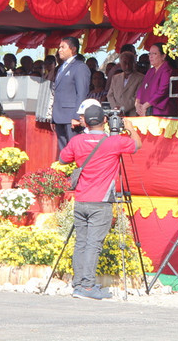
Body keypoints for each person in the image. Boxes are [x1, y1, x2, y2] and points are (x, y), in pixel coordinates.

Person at [59, 104, 141, 300]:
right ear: (105, 121)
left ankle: (79, 283)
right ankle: (87, 287)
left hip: (81, 199)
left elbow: (63, 159)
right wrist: (130, 129)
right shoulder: (114, 142)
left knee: (81, 243)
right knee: (93, 245)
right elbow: (137, 145)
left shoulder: (78, 141)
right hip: (101, 201)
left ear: (85, 122)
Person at [52, 37, 91, 153]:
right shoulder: (60, 68)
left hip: (71, 116)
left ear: (73, 49)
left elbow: (82, 93)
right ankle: (65, 171)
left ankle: (75, 171)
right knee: (64, 151)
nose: (59, 50)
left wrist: (76, 116)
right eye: (59, 47)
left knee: (75, 149)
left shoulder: (80, 67)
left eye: (63, 47)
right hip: (59, 116)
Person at [135, 43, 176, 118]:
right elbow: (142, 87)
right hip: (146, 110)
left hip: (161, 112)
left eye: (154, 54)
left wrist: (146, 105)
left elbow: (162, 91)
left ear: (163, 56)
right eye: (149, 53)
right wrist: (137, 103)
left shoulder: (167, 70)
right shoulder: (150, 70)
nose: (151, 56)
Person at [106, 50, 144, 116]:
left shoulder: (141, 78)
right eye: (125, 63)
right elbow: (110, 95)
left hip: (132, 115)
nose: (127, 66)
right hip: (116, 115)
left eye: (130, 63)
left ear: (134, 63)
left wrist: (122, 109)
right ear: (120, 63)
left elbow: (137, 98)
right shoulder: (115, 78)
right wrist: (115, 108)